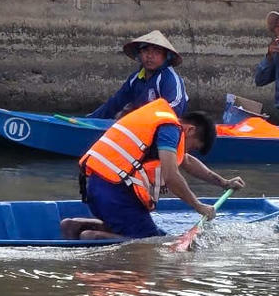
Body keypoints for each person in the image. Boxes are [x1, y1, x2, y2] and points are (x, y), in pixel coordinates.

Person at [60, 100, 245, 240]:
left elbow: (186, 161)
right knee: (151, 243)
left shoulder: (159, 122)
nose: (186, 151)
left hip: (94, 187)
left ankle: (74, 226)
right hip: (116, 194)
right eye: (192, 146)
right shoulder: (170, 129)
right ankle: (93, 237)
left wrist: (223, 182)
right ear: (189, 130)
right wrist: (199, 206)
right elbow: (171, 176)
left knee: (146, 233)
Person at [91, 30, 188, 119]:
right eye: (145, 51)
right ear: (139, 54)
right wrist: (90, 119)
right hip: (140, 126)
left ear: (166, 56)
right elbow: (115, 103)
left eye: (157, 52)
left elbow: (174, 108)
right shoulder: (135, 79)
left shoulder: (169, 78)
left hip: (165, 130)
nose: (150, 56)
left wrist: (138, 115)